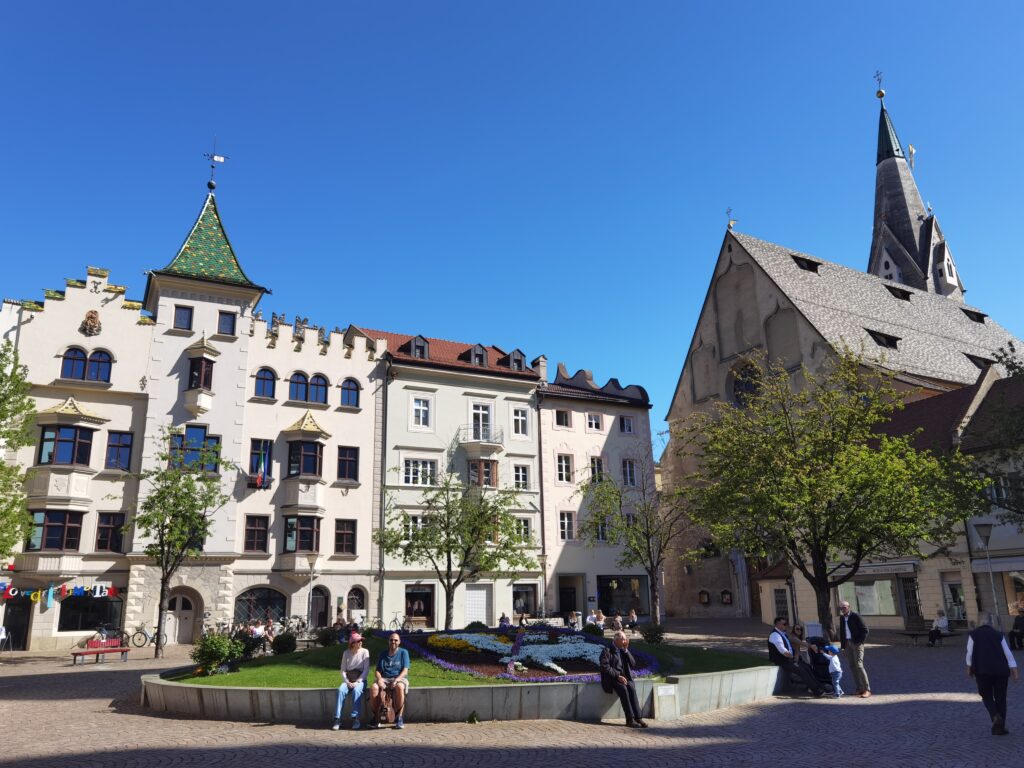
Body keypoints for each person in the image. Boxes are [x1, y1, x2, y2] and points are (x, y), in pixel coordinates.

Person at [967, 618, 1019, 735]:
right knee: (1001, 697)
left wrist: (969, 668)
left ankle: (995, 715)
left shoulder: (973, 635)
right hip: (1001, 670)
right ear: (991, 624)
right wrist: (1014, 669)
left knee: (986, 695)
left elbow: (969, 653)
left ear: (978, 624)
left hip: (982, 670)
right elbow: (1008, 653)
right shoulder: (998, 634)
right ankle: (1000, 728)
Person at [600, 631, 647, 728]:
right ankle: (629, 720)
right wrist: (618, 676)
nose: (625, 641)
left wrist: (626, 650)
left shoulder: (623, 649)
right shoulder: (607, 650)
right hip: (613, 678)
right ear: (616, 640)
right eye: (623, 639)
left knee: (631, 688)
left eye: (626, 639)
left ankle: (638, 717)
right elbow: (605, 667)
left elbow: (633, 664)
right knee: (624, 689)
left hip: (624, 677)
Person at [768, 616, 824, 697]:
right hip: (783, 660)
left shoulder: (783, 634)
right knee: (802, 671)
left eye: (786, 623)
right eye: (784, 624)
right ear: (778, 625)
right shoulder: (775, 635)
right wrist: (794, 660)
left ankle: (819, 687)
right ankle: (817, 691)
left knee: (807, 668)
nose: (786, 625)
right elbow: (783, 651)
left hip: (789, 659)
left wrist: (794, 658)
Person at [370, 633, 410, 729]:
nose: (393, 642)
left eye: (396, 640)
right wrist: (379, 680)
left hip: (399, 677)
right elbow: (377, 671)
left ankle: (399, 717)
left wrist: (396, 680)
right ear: (388, 641)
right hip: (385, 678)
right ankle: (376, 717)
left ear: (399, 642)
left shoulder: (403, 652)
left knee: (400, 687)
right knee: (374, 688)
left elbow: (405, 670)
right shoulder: (383, 654)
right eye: (391, 640)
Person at [332, 632, 369, 730]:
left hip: (360, 680)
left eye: (361, 640)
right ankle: (337, 719)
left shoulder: (365, 652)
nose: (360, 642)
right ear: (352, 643)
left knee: (357, 691)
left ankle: (355, 718)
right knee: (340, 690)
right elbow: (343, 670)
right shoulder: (346, 653)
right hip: (348, 679)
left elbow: (366, 670)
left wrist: (357, 682)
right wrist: (347, 681)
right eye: (358, 641)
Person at [838, 601, 871, 698]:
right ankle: (859, 688)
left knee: (859, 665)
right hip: (848, 644)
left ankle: (866, 689)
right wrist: (843, 647)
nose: (842, 610)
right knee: (852, 666)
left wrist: (860, 641)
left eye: (844, 607)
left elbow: (865, 630)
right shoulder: (842, 618)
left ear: (848, 607)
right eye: (841, 608)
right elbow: (842, 632)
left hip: (857, 643)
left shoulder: (855, 616)